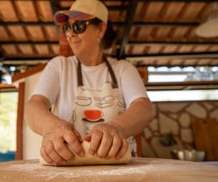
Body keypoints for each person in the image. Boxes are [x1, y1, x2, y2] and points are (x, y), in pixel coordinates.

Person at [25, 0, 153, 165]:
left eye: (78, 26)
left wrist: (116, 127)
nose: (70, 34)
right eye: (67, 28)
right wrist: (51, 127)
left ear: (100, 29)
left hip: (120, 167)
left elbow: (143, 107)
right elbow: (35, 105)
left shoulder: (123, 69)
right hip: (69, 166)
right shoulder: (60, 66)